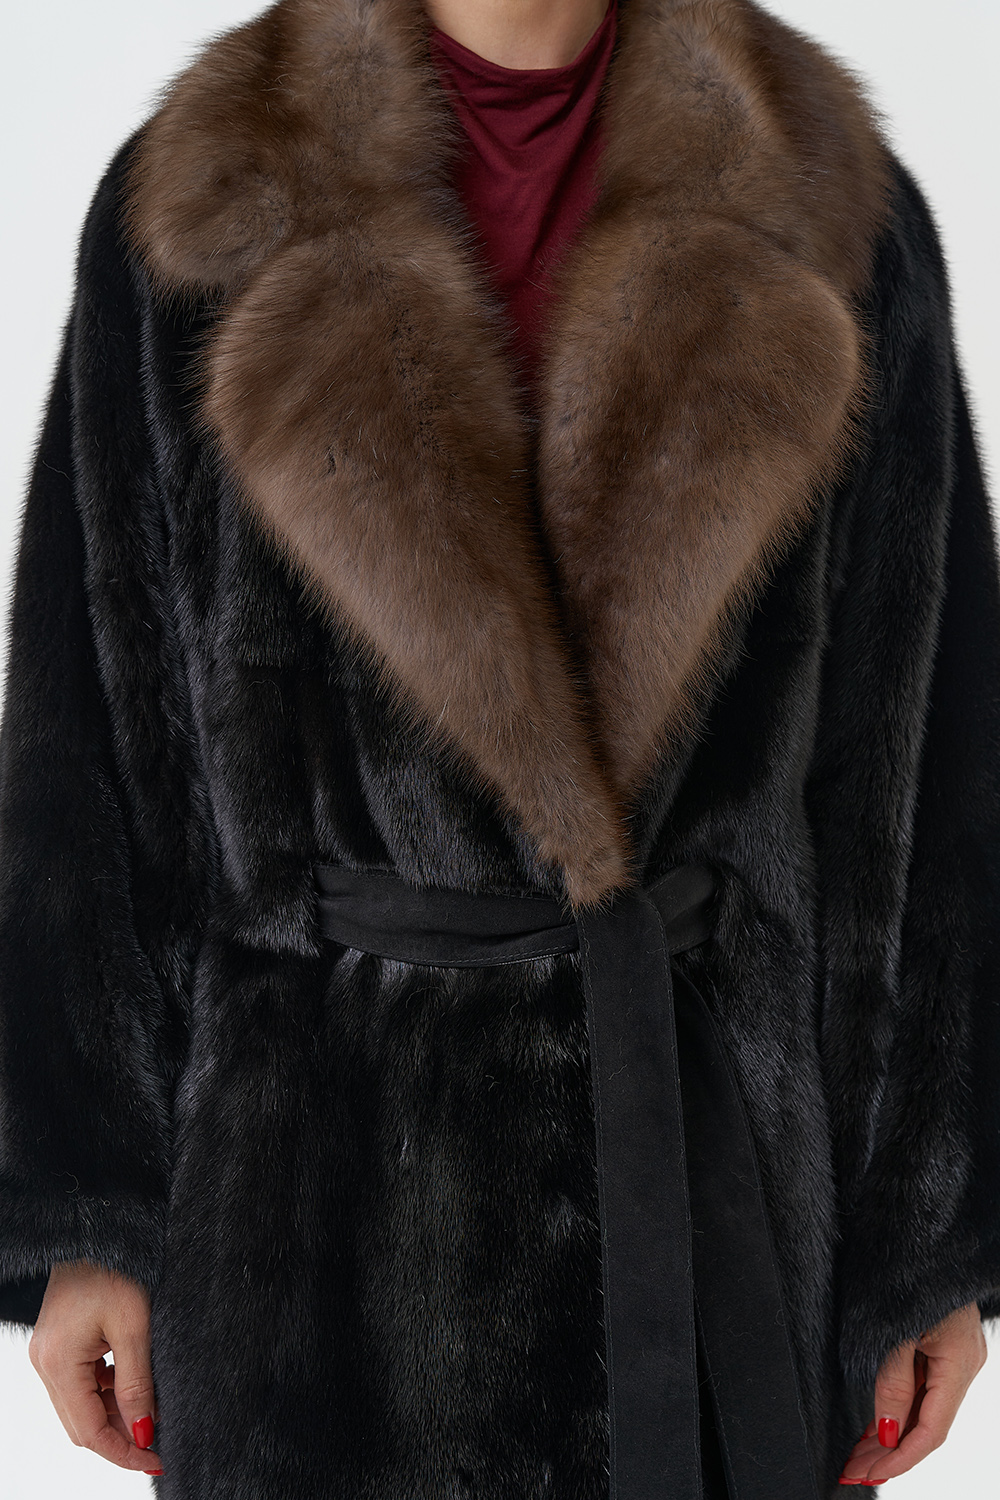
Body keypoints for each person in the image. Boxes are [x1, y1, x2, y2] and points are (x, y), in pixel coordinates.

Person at [1, 0, 997, 1495]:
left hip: (713, 1211)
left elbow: (921, 754)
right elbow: (88, 741)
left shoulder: (831, 204)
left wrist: (928, 1246)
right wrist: (91, 1210)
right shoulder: (203, 197)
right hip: (313, 1231)